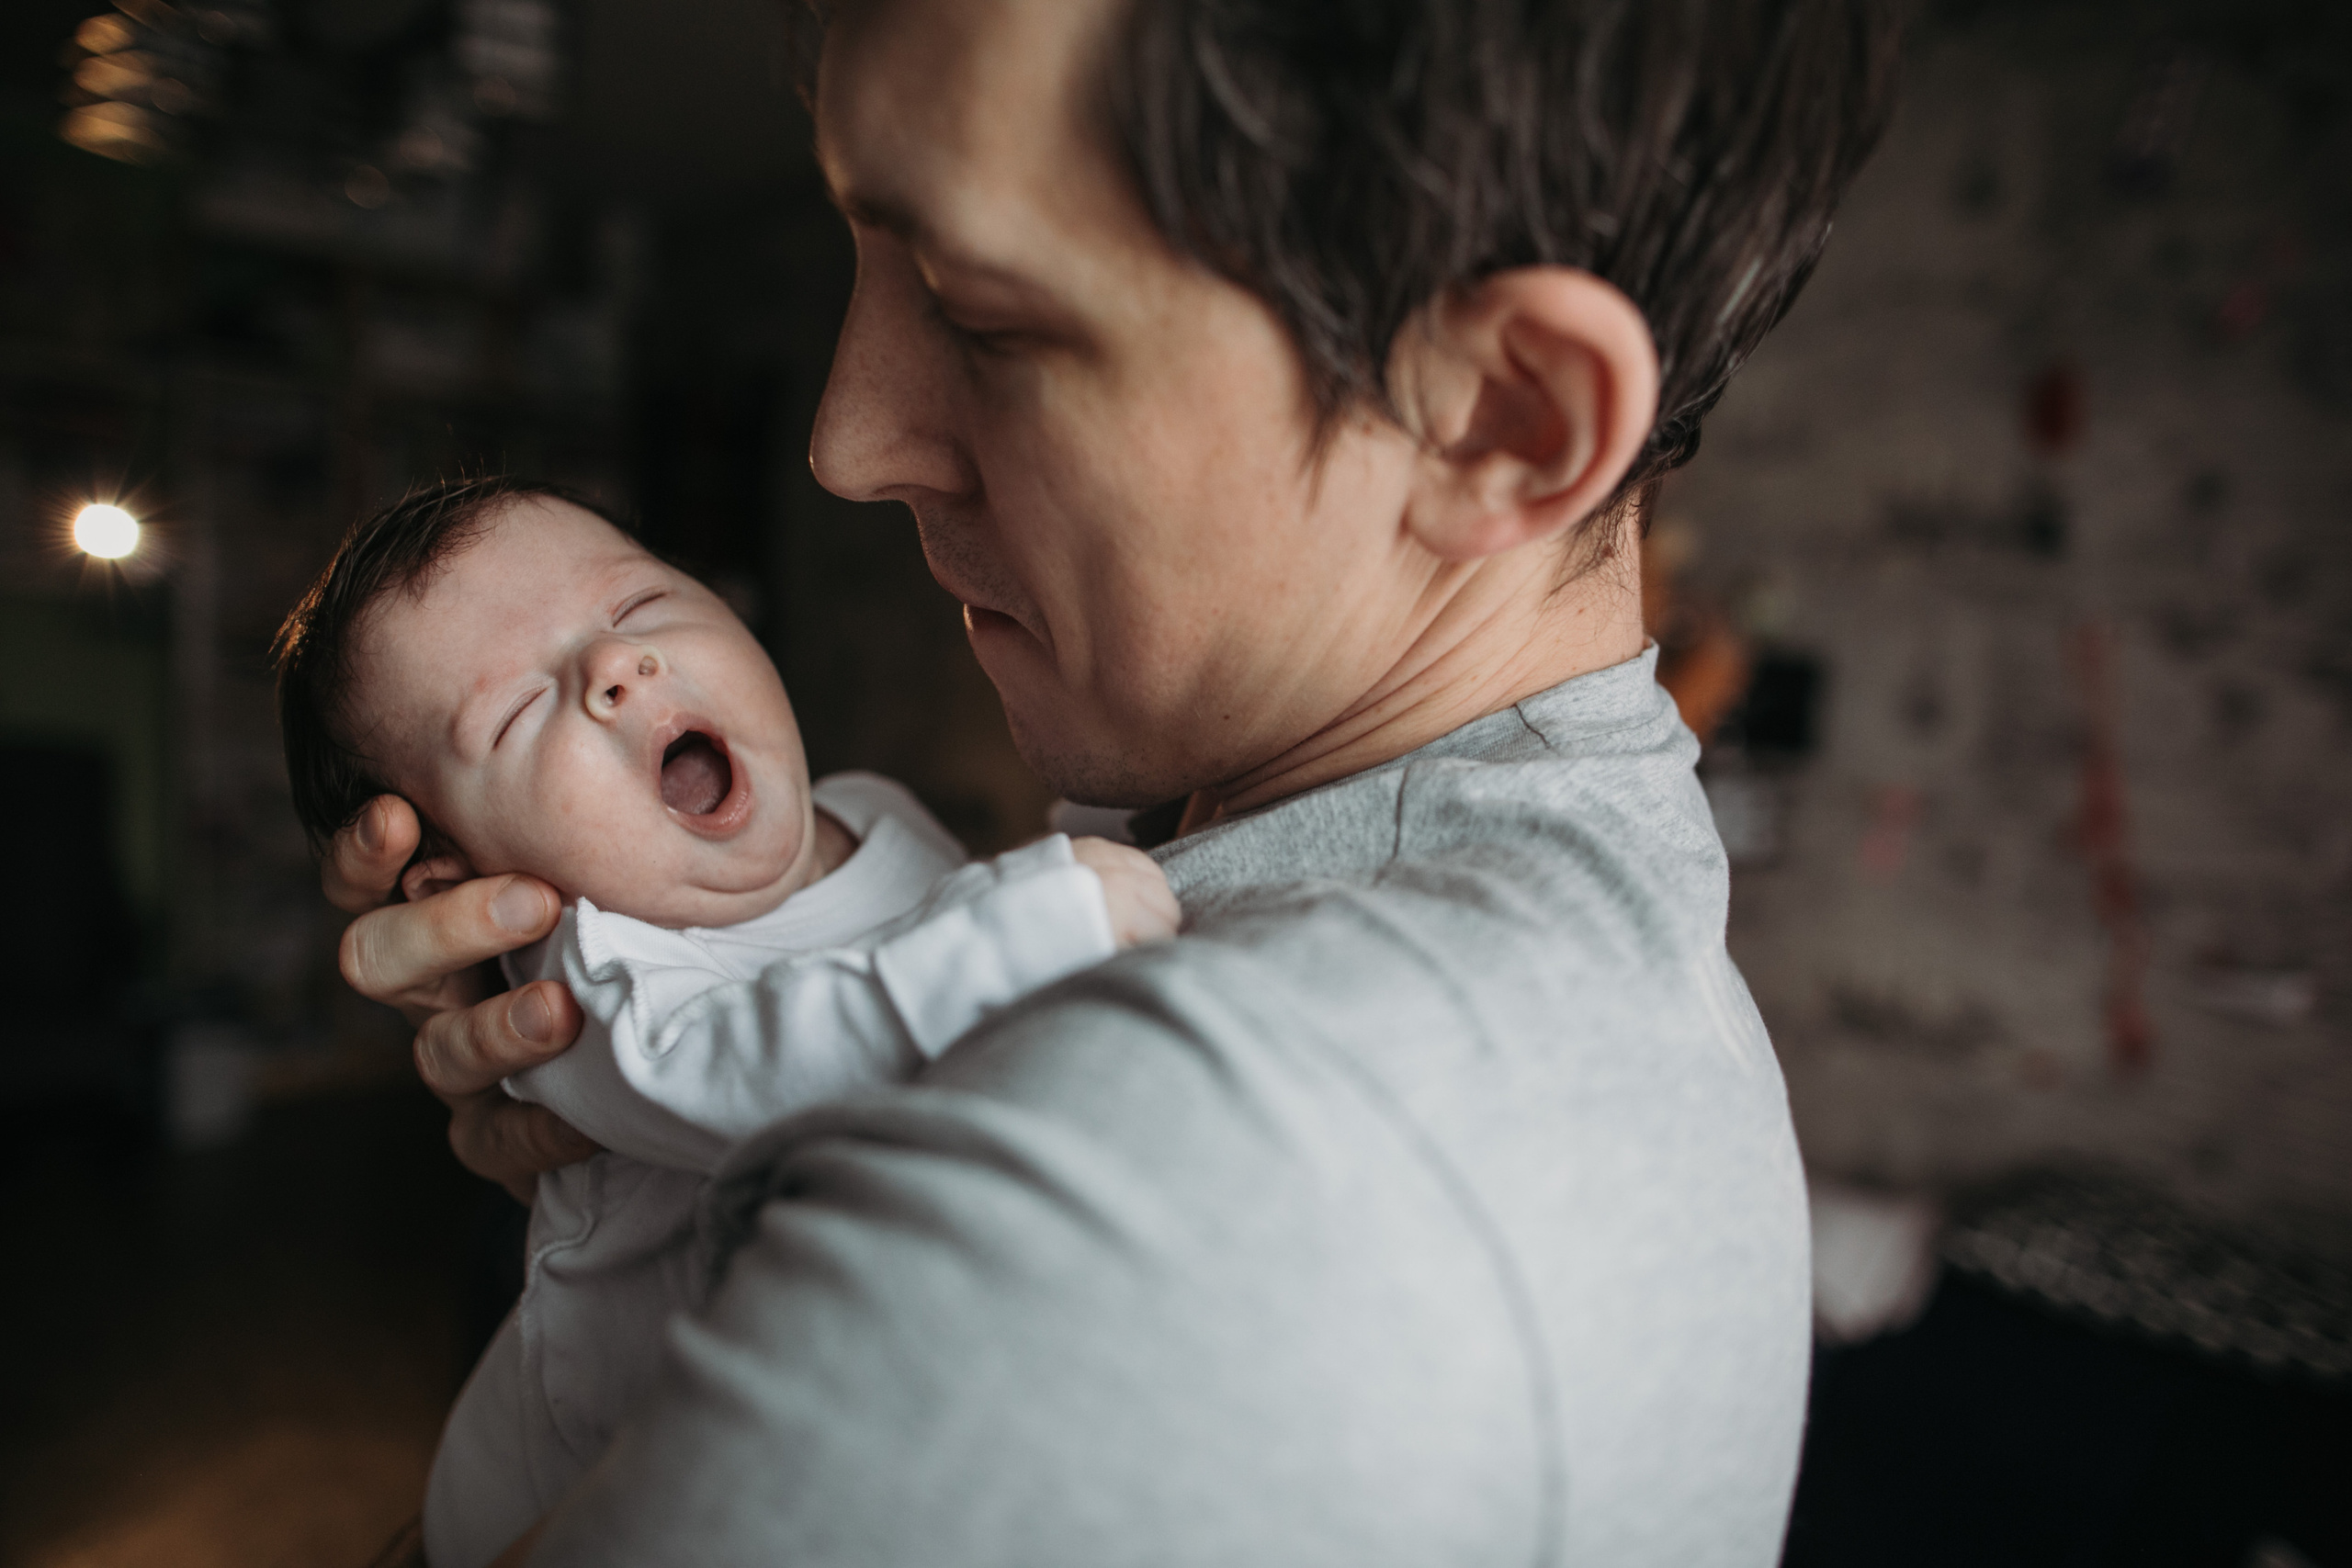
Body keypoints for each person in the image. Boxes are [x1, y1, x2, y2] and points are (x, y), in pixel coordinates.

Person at [325, 2, 1900, 1562]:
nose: (847, 438)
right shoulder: (1497, 875)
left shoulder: (1179, 1160)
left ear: (1500, 415)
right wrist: (621, 1079)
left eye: (980, 310)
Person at [272, 478, 1177, 1567]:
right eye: (515, 714)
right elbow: (777, 1075)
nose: (614, 669)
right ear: (462, 880)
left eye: (640, 607)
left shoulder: (869, 810)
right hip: (566, 1485)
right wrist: (1024, 929)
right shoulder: (599, 982)